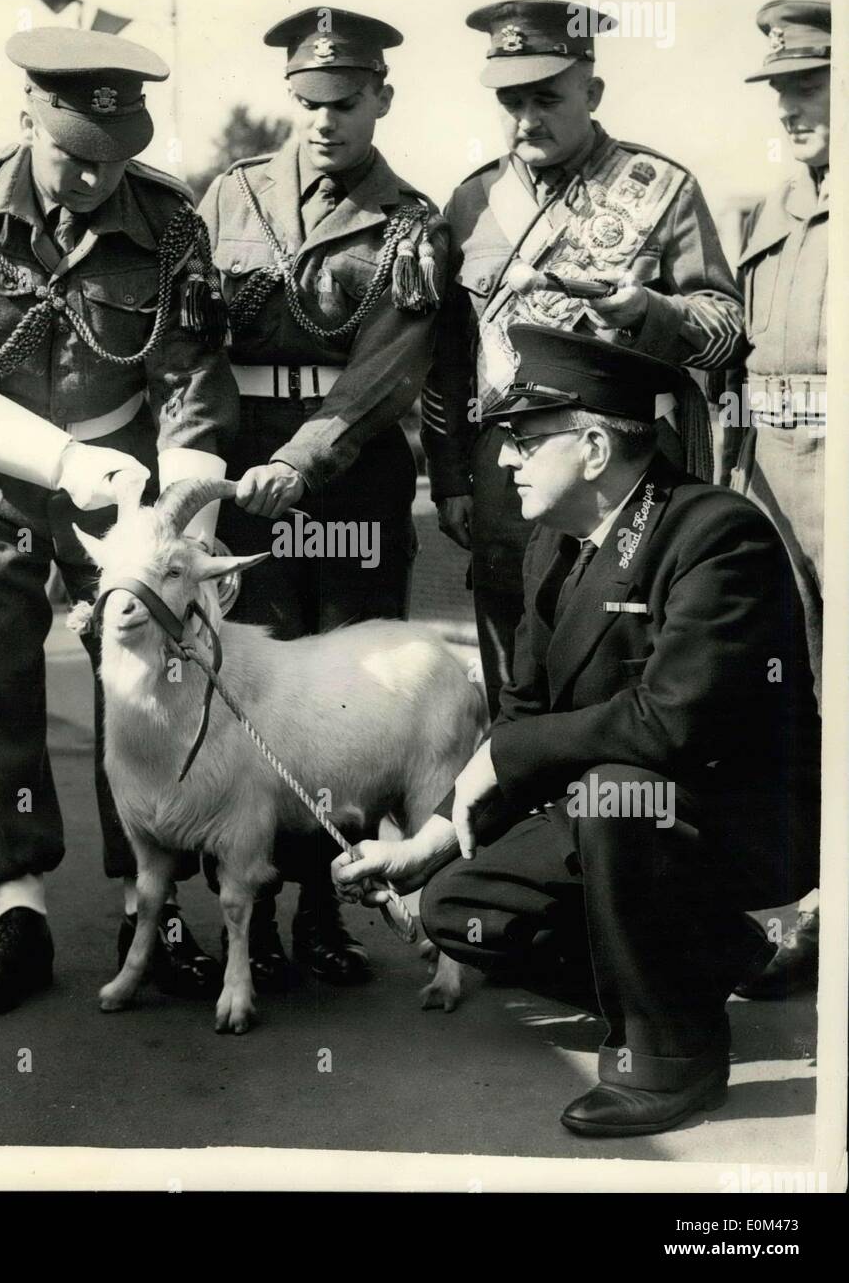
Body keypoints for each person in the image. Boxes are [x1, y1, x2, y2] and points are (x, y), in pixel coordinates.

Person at [335, 322, 820, 1137]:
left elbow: (667, 725)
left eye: (525, 439)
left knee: (614, 794)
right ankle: (705, 962)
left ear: (594, 449)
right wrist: (431, 842)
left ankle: (673, 1058)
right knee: (458, 905)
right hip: (626, 822)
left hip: (732, 822)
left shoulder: (715, 535)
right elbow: (523, 714)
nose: (503, 461)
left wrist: (519, 755)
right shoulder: (553, 549)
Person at [0, 27, 240, 1016]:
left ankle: (152, 900)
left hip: (126, 476)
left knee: (147, 684)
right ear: (25, 120)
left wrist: (185, 522)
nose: (91, 181)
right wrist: (56, 461)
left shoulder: (168, 220)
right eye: (70, 158)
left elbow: (189, 380)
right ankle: (18, 912)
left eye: (111, 163)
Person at [198, 7, 448, 989]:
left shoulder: (410, 221)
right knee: (250, 690)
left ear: (380, 98)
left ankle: (320, 912)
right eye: (304, 103)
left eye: (342, 103)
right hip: (240, 468)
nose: (320, 122)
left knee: (342, 693)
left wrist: (303, 460)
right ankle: (244, 914)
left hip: (346, 475)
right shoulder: (227, 197)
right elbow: (191, 338)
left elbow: (383, 371)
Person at [421, 0, 744, 717]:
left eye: (546, 98)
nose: (525, 120)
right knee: (516, 683)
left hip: (619, 486)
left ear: (593, 93)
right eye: (511, 101)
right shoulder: (473, 200)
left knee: (618, 678)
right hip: (506, 484)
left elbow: (726, 330)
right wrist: (449, 478)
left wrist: (648, 314)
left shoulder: (660, 190)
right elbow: (447, 356)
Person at [725, 0, 829, 1000]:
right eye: (781, 88)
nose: (792, 106)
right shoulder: (767, 211)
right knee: (791, 706)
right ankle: (809, 903)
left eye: (811, 84)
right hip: (773, 489)